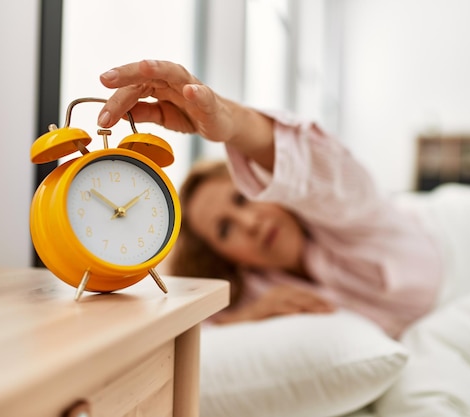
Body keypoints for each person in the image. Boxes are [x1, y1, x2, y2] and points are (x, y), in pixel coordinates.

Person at [94, 60, 445, 338]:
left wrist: (231, 123)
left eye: (243, 200)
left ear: (263, 187)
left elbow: (323, 169)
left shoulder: (349, 212)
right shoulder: (256, 293)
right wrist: (245, 318)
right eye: (225, 230)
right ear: (224, 257)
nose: (250, 224)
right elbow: (186, 334)